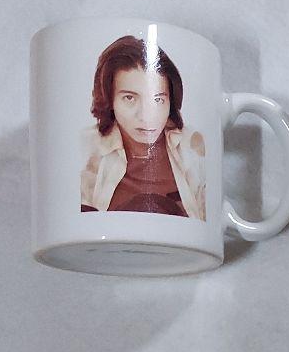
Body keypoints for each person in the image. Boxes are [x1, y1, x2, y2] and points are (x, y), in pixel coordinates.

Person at [80, 35, 206, 218]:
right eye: (129, 98)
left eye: (157, 99)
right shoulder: (84, 148)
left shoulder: (194, 148)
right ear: (110, 100)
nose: (146, 115)